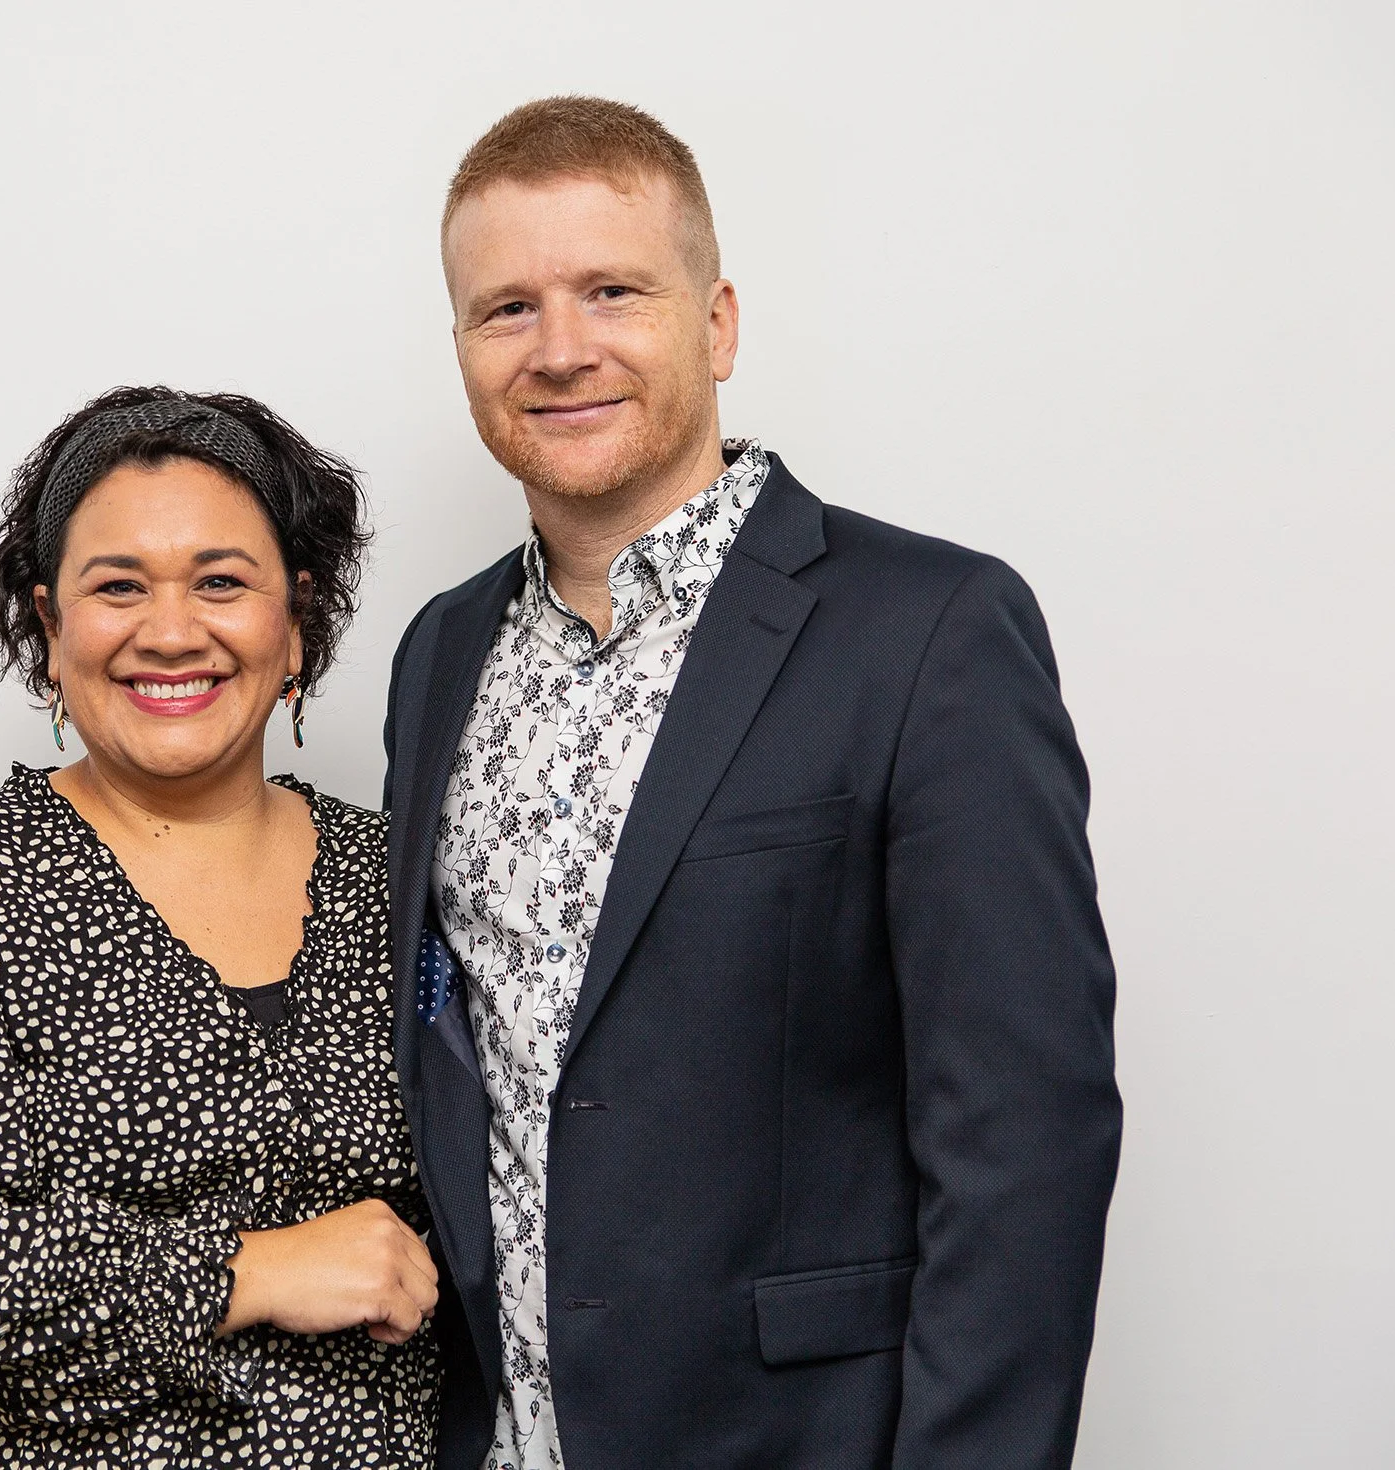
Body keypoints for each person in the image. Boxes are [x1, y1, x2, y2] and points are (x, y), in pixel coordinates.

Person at [383, 97, 1122, 1470]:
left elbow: (1026, 1144)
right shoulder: (438, 652)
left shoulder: (931, 630)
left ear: (715, 323)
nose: (560, 348)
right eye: (506, 309)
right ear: (464, 348)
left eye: (613, 290)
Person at [0, 387, 441, 1467]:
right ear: (50, 626)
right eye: (118, 588)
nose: (172, 631)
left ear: (295, 620)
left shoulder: (400, 877)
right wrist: (248, 1272)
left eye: (223, 583)